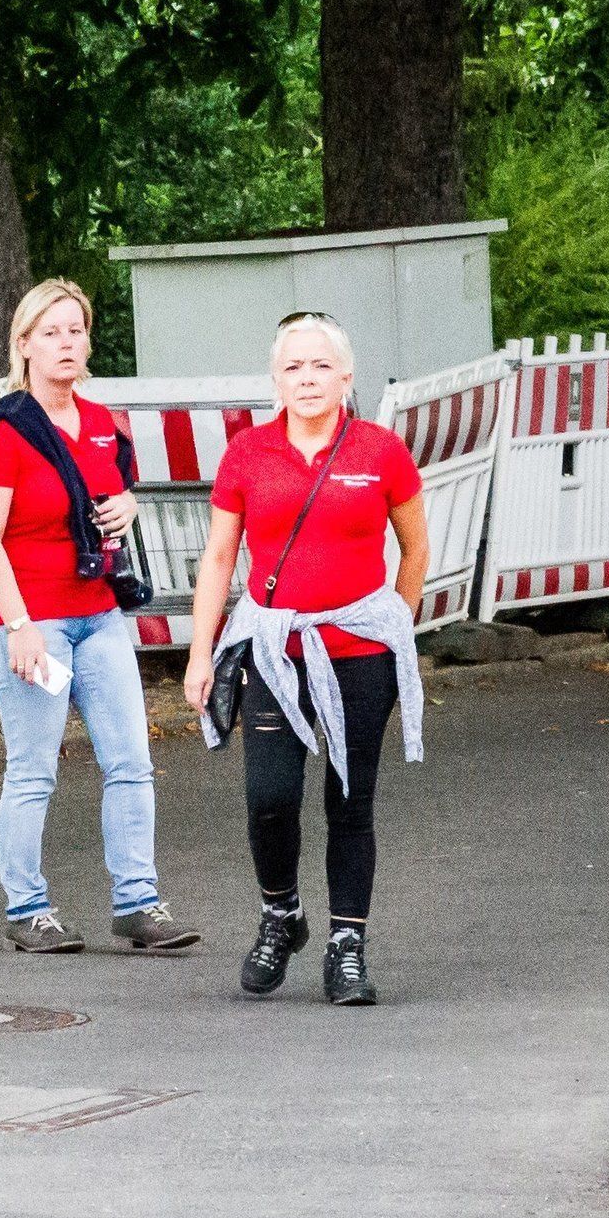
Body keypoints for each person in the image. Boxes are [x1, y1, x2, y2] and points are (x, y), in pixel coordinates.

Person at [182, 313, 429, 1003]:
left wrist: (394, 627)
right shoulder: (248, 454)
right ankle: (281, 914)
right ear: (276, 379)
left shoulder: (380, 451)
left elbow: (415, 549)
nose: (308, 379)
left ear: (346, 376)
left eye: (321, 366)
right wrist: (201, 654)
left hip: (359, 652)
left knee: (350, 801)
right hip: (273, 651)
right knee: (269, 798)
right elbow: (220, 557)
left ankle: (347, 946)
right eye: (293, 367)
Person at [0, 279, 199, 955]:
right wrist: (18, 627)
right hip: (31, 621)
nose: (66, 344)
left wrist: (128, 505)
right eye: (51, 333)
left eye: (76, 330)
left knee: (131, 761)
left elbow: (109, 494)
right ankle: (28, 909)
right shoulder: (9, 428)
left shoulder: (99, 422)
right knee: (33, 769)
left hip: (97, 615)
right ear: (25, 345)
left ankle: (138, 903)